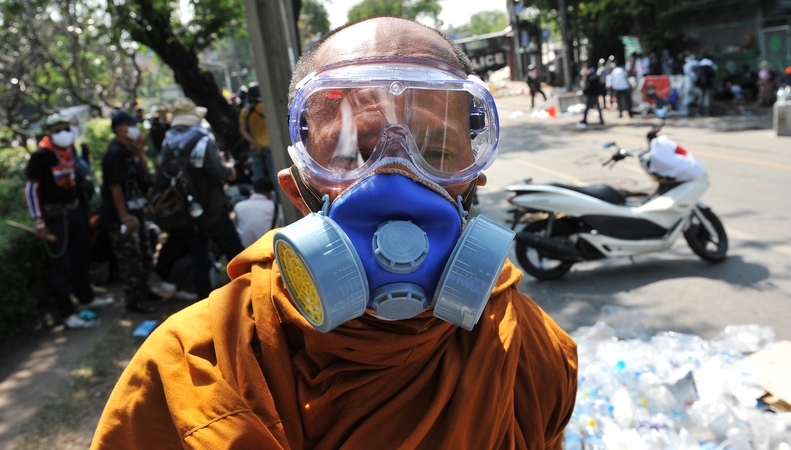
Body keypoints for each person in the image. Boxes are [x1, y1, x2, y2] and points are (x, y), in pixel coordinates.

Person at [92, 17, 577, 449]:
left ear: (472, 182)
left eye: (434, 151)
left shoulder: (529, 353)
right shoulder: (195, 367)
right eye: (350, 153)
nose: (397, 180)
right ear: (296, 189)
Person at [25, 113, 114, 329]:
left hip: (75, 212)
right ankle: (66, 312)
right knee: (62, 266)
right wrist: (39, 221)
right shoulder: (40, 157)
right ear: (49, 133)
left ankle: (86, 298)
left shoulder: (70, 151)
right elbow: (31, 189)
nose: (64, 133)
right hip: (55, 218)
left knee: (81, 257)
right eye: (58, 130)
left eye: (66, 128)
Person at [159, 96, 244, 301]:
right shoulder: (203, 139)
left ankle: (205, 306)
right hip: (212, 207)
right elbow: (216, 171)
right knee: (235, 252)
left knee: (199, 259)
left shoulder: (167, 142)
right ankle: (248, 293)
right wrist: (230, 173)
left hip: (186, 211)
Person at [100, 110, 156, 314]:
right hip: (123, 217)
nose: (136, 129)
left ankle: (145, 291)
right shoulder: (115, 154)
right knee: (130, 260)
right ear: (120, 129)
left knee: (144, 253)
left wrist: (140, 149)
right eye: (131, 125)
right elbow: (115, 188)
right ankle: (134, 301)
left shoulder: (129, 150)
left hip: (137, 210)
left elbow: (144, 172)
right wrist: (124, 217)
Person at [238, 81, 278, 192]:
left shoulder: (244, 111)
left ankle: (259, 197)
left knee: (258, 175)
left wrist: (254, 142)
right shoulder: (266, 106)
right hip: (270, 145)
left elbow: (242, 130)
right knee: (274, 173)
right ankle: (280, 199)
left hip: (255, 147)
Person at [233, 177, 285, 248]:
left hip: (245, 251)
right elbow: (282, 227)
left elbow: (237, 228)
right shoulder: (275, 207)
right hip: (269, 249)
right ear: (271, 193)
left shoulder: (238, 207)